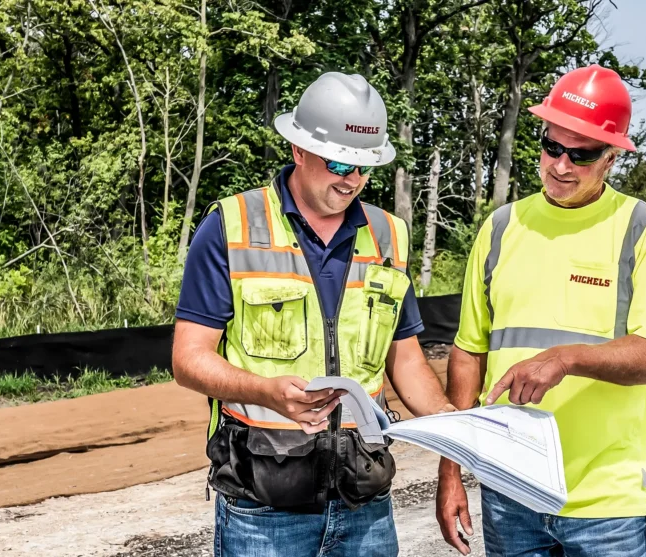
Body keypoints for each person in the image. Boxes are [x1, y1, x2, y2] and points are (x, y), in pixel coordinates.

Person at [172, 71, 454, 557]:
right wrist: (266, 393)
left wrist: (451, 421)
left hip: (364, 503)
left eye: (364, 168)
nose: (351, 181)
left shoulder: (389, 237)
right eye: (339, 163)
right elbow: (189, 358)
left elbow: (405, 359)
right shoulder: (231, 226)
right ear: (298, 150)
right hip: (263, 510)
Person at [435, 65, 646, 557]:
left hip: (602, 502)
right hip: (510, 494)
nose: (561, 165)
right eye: (553, 147)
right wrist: (451, 473)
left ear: (612, 158)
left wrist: (567, 358)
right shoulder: (502, 227)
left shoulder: (638, 228)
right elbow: (468, 353)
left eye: (582, 154)